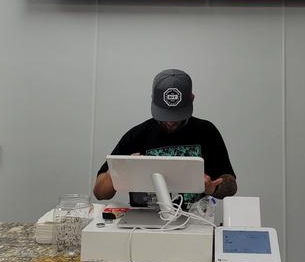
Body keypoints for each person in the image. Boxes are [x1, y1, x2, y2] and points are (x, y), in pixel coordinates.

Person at [92, 69, 237, 203]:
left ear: (192, 99)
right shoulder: (137, 135)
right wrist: (118, 171)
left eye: (177, 115)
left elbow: (231, 185)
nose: (170, 122)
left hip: (194, 221)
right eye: (164, 114)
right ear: (152, 100)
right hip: (143, 224)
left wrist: (212, 188)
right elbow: (100, 193)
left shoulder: (206, 132)